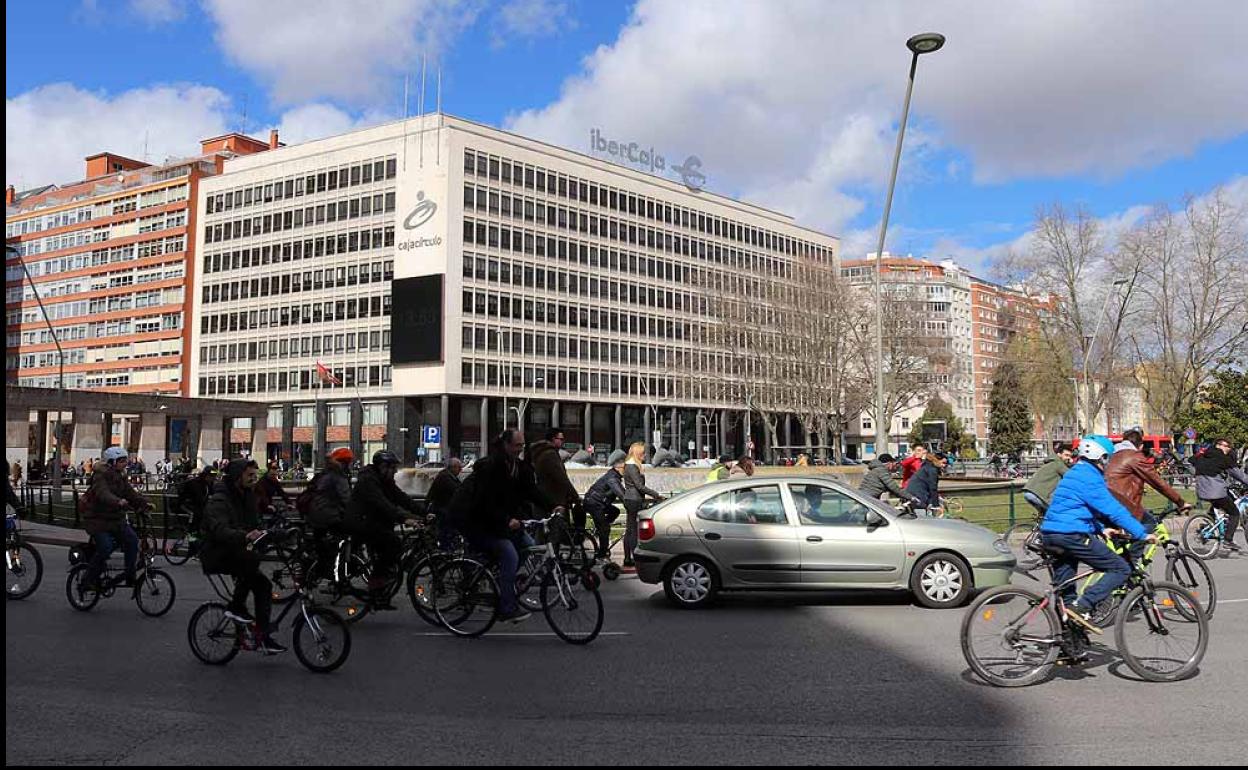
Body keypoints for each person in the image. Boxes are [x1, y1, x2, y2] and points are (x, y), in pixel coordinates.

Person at [1040, 436, 1155, 634]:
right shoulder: (1090, 477)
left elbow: (1076, 508)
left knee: (1066, 594)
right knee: (1120, 568)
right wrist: (1141, 533)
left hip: (1052, 534)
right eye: (1107, 458)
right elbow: (1113, 510)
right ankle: (1085, 603)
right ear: (1100, 457)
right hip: (1071, 536)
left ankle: (1068, 646)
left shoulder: (1075, 472)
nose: (1108, 463)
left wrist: (1100, 528)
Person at [448, 430, 557, 623]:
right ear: (506, 445)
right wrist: (507, 520)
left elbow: (530, 490)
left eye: (522, 445)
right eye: (517, 446)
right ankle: (506, 607)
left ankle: (502, 579)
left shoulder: (516, 466)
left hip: (496, 522)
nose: (520, 449)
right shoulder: (492, 467)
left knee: (527, 544)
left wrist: (553, 506)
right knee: (509, 553)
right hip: (477, 522)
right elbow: (485, 502)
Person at [199, 458, 287, 654]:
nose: (254, 478)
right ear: (237, 475)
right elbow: (220, 530)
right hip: (216, 553)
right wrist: (245, 535)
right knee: (251, 560)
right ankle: (236, 606)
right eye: (249, 475)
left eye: (255, 474)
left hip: (236, 552)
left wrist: (272, 533)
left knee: (263, 585)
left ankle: (262, 635)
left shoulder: (248, 496)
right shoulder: (219, 499)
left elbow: (254, 523)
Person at [346, 450, 422, 609]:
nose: (395, 471)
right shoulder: (368, 480)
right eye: (392, 467)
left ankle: (382, 584)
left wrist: (423, 511)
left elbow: (400, 497)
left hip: (373, 520)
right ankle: (375, 582)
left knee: (388, 545)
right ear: (382, 466)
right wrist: (404, 518)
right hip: (361, 521)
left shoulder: (384, 480)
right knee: (393, 543)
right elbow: (381, 503)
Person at [1105, 429, 1190, 560]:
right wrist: (1180, 502)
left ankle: (1121, 564)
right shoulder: (1134, 457)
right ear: (1140, 446)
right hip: (1122, 504)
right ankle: (1130, 564)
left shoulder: (1112, 455)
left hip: (1106, 503)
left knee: (1121, 543)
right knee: (1149, 523)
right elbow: (1158, 482)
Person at [80, 447, 149, 595]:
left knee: (132, 540)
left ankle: (130, 574)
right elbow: (103, 493)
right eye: (122, 461)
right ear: (112, 462)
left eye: (125, 460)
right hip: (97, 520)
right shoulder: (100, 476)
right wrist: (118, 501)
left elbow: (130, 493)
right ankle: (88, 579)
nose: (125, 463)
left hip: (115, 520)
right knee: (105, 547)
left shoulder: (120, 476)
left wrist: (144, 503)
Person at [1191, 438, 1248, 552]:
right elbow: (1238, 474)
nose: (1228, 449)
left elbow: (1190, 461)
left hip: (1201, 490)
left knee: (1218, 504)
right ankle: (1228, 540)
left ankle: (1205, 527)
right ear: (1219, 445)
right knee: (1234, 513)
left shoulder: (1204, 455)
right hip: (1215, 491)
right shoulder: (1223, 458)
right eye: (1227, 446)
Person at [304, 448, 354, 576]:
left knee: (321, 541)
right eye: (347, 462)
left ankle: (319, 567)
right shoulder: (338, 475)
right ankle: (330, 569)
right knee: (344, 534)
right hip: (326, 514)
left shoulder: (326, 473)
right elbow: (346, 498)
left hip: (316, 512)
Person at [622, 441, 663, 570]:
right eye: (643, 453)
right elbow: (639, 486)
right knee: (633, 530)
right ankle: (634, 557)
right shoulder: (632, 466)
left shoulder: (629, 465)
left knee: (629, 530)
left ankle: (628, 558)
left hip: (630, 499)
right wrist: (655, 494)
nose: (645, 455)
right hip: (634, 499)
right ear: (637, 453)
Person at [529, 428, 581, 515]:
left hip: (544, 498)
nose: (563, 441)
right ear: (553, 439)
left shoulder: (543, 452)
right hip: (554, 502)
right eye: (561, 439)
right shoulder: (550, 454)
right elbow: (561, 478)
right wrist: (575, 496)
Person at [582, 460, 627, 560]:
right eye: (625, 469)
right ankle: (602, 554)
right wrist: (628, 503)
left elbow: (623, 492)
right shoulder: (612, 478)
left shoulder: (614, 476)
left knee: (615, 511)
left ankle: (601, 528)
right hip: (594, 504)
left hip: (598, 503)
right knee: (605, 529)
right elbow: (621, 494)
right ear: (618, 469)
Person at [1022, 443, 1075, 516]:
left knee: (1046, 515)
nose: (1069, 458)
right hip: (1038, 495)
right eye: (1066, 455)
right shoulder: (1058, 464)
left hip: (1029, 492)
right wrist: (1074, 465)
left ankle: (1039, 526)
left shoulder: (1051, 462)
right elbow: (1072, 476)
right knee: (1058, 513)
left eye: (1070, 456)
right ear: (1059, 454)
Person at [426, 457, 464, 546]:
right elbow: (457, 490)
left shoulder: (448, 475)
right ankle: (445, 549)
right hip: (441, 509)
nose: (461, 470)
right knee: (446, 531)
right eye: (459, 468)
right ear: (453, 467)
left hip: (442, 508)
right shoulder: (445, 477)